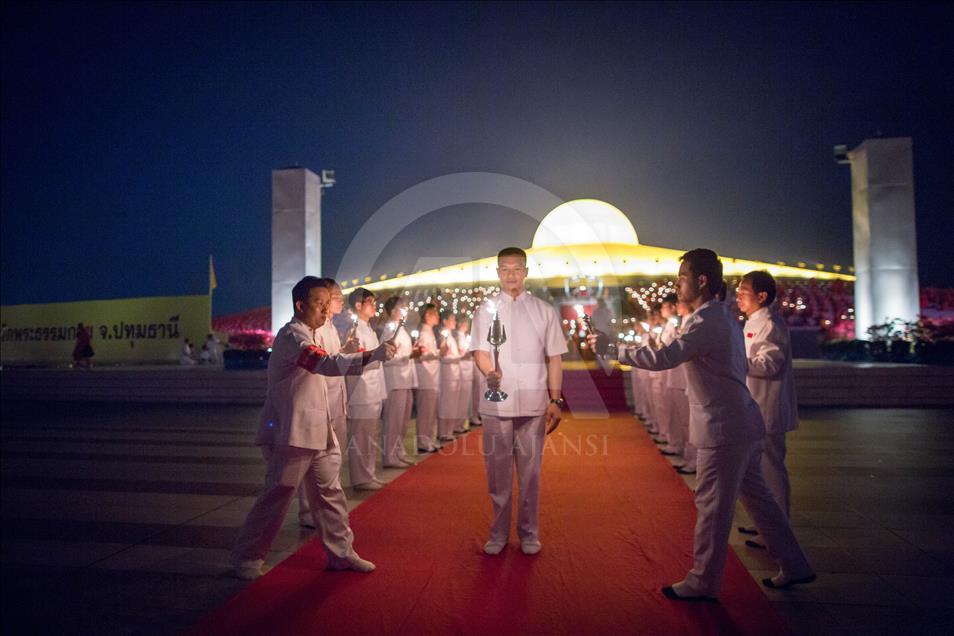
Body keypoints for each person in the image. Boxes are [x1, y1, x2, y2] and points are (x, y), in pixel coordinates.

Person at [588, 248, 814, 600]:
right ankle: (795, 563)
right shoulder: (720, 317)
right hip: (740, 422)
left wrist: (614, 349)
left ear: (702, 280)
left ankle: (703, 581)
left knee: (712, 507)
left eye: (682, 278)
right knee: (759, 501)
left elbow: (665, 357)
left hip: (723, 428)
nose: (677, 285)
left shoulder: (708, 321)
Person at [231, 276, 395, 580]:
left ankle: (341, 553)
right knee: (278, 493)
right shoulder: (293, 337)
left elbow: (333, 367)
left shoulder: (318, 333)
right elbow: (326, 364)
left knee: (330, 494)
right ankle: (247, 557)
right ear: (300, 305)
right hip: (293, 432)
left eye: (326, 303)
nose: (326, 310)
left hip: (321, 429)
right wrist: (372, 356)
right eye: (319, 304)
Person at [472, 247, 567, 556]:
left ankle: (529, 532)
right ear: (497, 272)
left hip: (533, 403)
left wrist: (556, 399)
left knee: (530, 475)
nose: (511, 274)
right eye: (504, 269)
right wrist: (489, 373)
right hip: (495, 403)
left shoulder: (543, 311)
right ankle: (498, 532)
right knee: (497, 474)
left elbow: (554, 358)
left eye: (516, 269)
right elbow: (480, 351)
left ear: (526, 272)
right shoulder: (485, 310)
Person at [735, 270, 799, 546]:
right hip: (755, 404)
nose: (738, 296)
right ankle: (767, 525)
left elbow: (771, 364)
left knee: (772, 468)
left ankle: (779, 528)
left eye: (743, 291)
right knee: (760, 469)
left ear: (761, 296)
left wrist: (736, 361)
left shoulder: (771, 324)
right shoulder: (753, 321)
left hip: (768, 406)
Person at [345, 288, 391, 488]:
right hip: (361, 390)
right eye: (370, 302)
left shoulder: (368, 328)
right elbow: (355, 361)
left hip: (373, 388)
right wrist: (378, 355)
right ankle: (361, 477)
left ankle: (369, 474)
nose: (374, 306)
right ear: (358, 305)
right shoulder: (354, 330)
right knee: (362, 437)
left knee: (370, 435)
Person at [380, 296, 420, 469]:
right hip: (395, 380)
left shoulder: (401, 329)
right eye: (400, 308)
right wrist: (408, 356)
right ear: (392, 311)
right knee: (393, 421)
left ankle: (398, 452)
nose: (403, 310)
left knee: (403, 420)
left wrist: (412, 353)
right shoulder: (389, 330)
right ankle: (389, 456)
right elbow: (386, 358)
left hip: (405, 379)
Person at [414, 304, 441, 452]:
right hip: (426, 377)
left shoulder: (429, 332)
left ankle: (429, 439)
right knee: (426, 411)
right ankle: (423, 442)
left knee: (431, 411)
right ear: (427, 316)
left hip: (432, 376)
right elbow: (422, 354)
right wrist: (438, 353)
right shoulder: (424, 333)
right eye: (434, 314)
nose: (437, 316)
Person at [437, 310, 461, 442]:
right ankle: (443, 431)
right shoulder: (444, 336)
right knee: (446, 404)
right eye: (452, 319)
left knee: (452, 404)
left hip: (455, 374)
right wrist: (458, 358)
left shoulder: (451, 337)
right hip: (447, 375)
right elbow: (443, 356)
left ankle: (449, 430)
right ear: (445, 321)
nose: (454, 322)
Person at [454, 314, 474, 433]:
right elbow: (459, 353)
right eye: (465, 323)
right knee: (460, 400)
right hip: (462, 370)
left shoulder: (465, 336)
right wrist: (465, 353)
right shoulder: (457, 336)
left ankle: (461, 423)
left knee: (465, 400)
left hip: (468, 369)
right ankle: (457, 424)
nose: (467, 326)